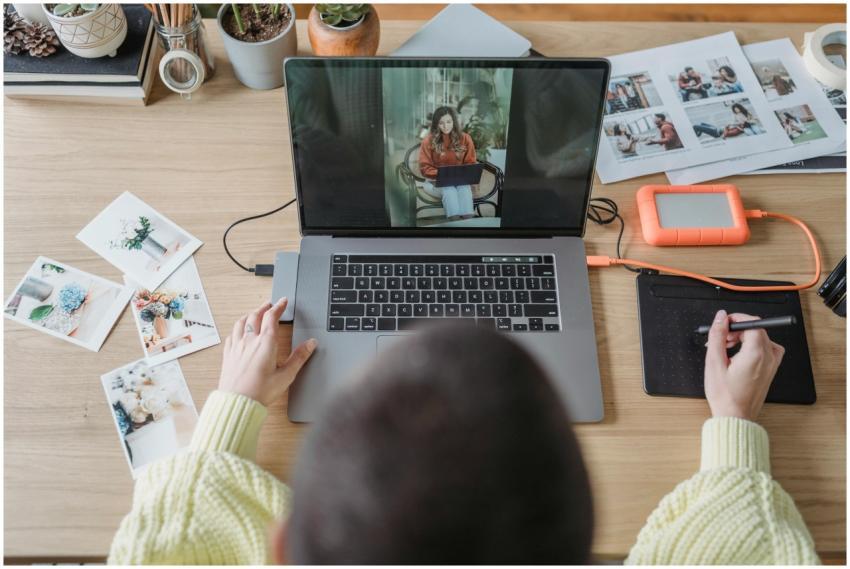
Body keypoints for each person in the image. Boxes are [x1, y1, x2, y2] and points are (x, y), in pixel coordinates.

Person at [108, 301, 819, 564]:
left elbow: (177, 537)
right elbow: (744, 542)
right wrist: (733, 426)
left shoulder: (189, 539)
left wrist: (234, 400)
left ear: (283, 543)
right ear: (592, 547)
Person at [418, 106, 477, 221]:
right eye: (441, 123)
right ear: (436, 124)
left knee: (464, 188)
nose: (445, 126)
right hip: (434, 182)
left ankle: (468, 223)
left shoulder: (465, 138)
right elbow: (425, 168)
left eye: (449, 122)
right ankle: (454, 224)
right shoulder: (428, 140)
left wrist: (459, 175)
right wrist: (444, 175)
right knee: (449, 189)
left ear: (454, 122)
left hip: (459, 181)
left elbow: (470, 163)